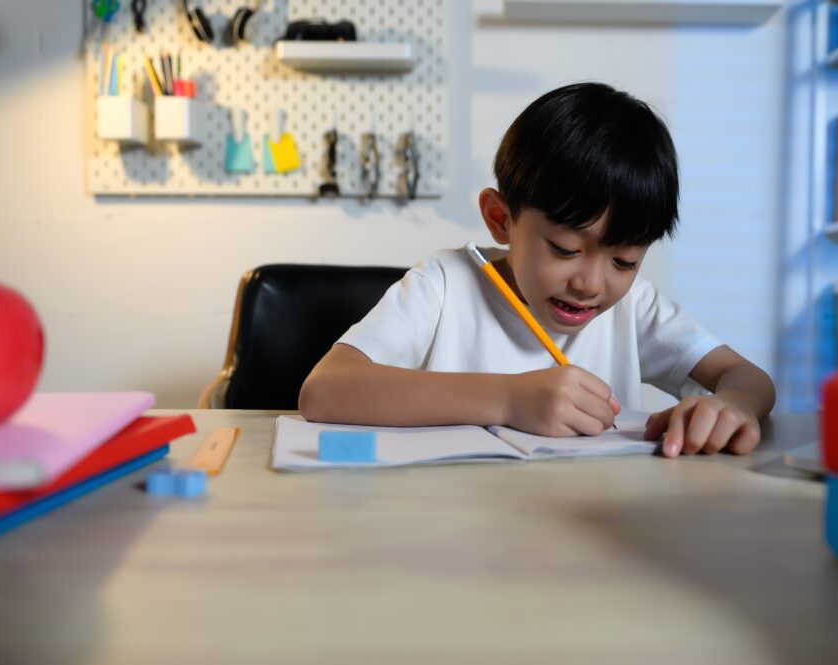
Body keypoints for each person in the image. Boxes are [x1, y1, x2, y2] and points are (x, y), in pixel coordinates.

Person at [299, 82, 775, 456]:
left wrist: (734, 404)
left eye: (624, 261)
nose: (590, 283)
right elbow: (325, 391)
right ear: (501, 219)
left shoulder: (635, 308)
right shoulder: (444, 286)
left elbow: (745, 376)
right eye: (566, 249)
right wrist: (510, 399)